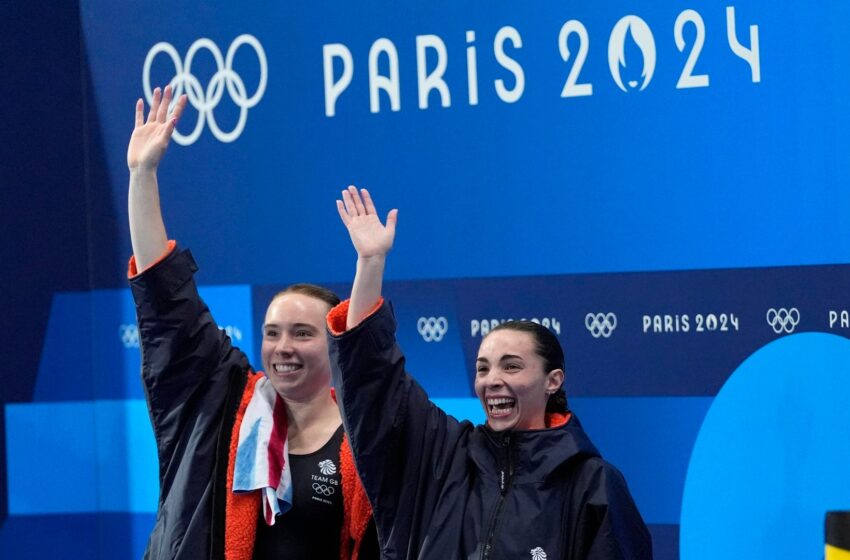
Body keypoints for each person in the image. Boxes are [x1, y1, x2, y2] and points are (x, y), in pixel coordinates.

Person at [327, 186, 652, 559]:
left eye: (511, 366)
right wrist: (370, 264)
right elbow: (375, 384)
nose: (491, 379)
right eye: (483, 368)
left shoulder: (592, 484)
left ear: (553, 381)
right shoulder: (444, 457)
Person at [127, 86, 378, 560]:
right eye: (272, 333)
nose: (283, 347)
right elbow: (166, 301)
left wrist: (370, 266)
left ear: (333, 345)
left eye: (303, 334)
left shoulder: (365, 439)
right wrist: (143, 176)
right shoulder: (225, 406)